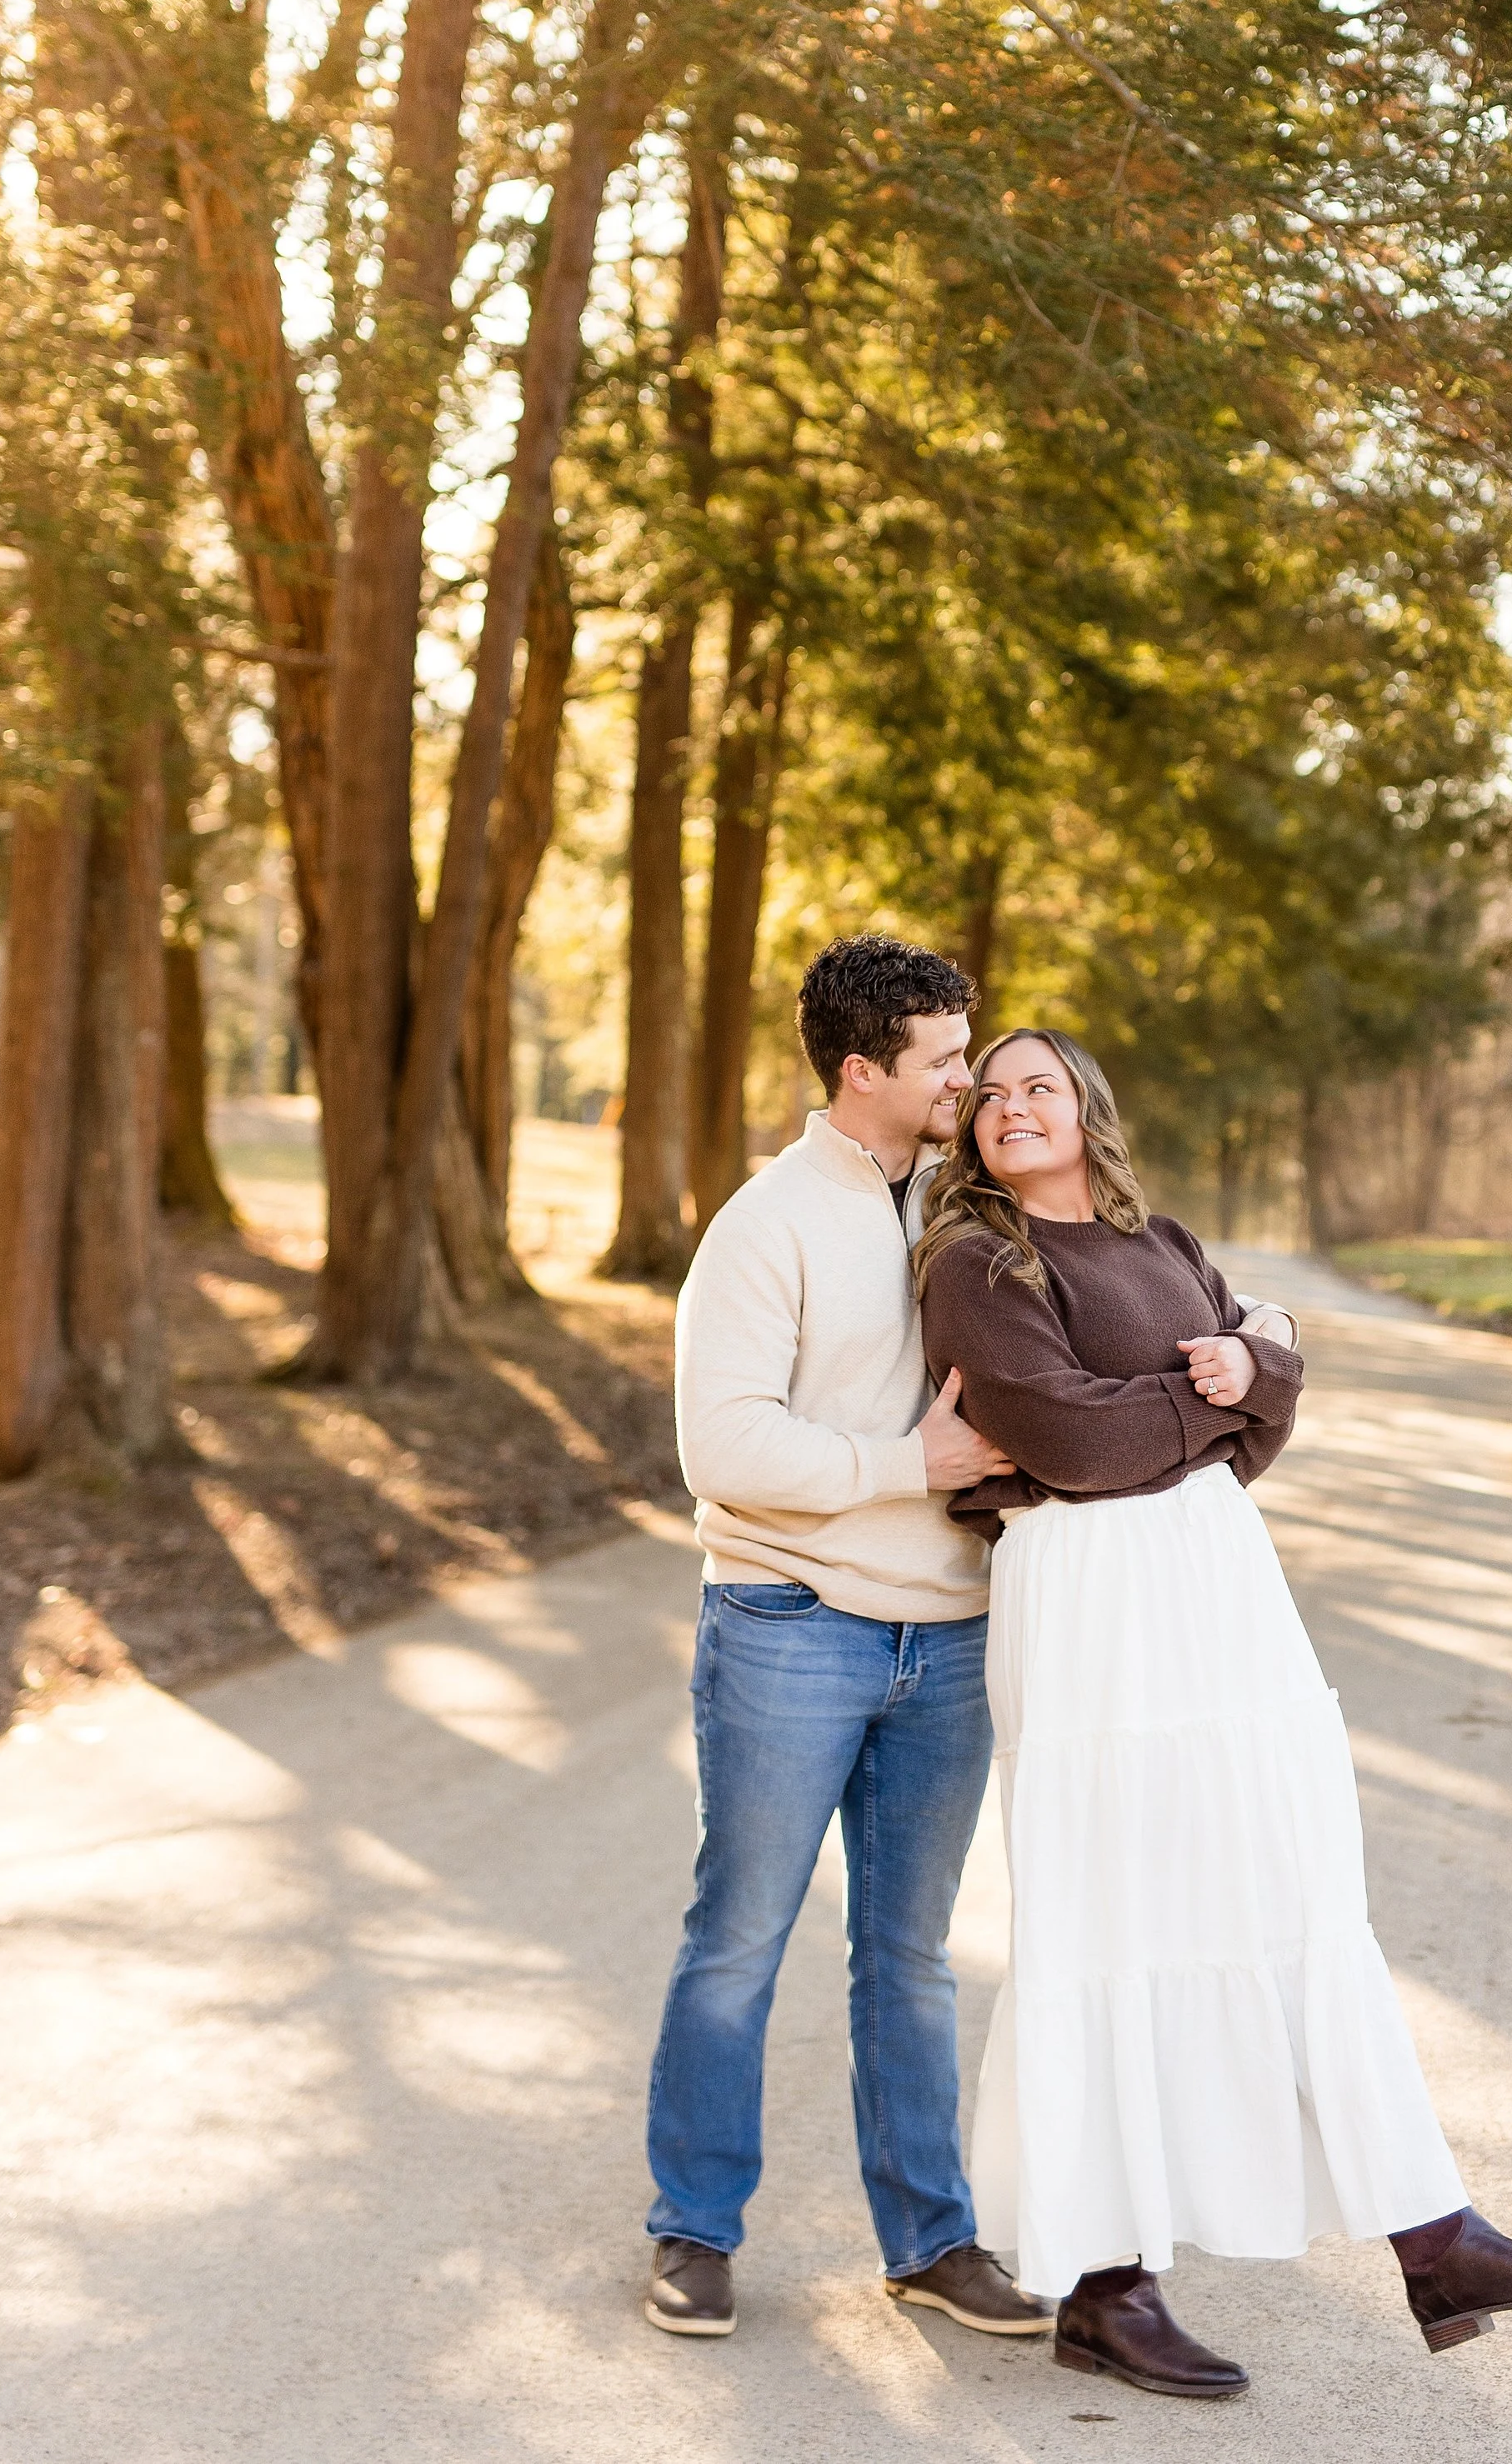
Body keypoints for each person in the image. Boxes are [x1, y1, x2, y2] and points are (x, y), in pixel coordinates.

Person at [914, 1027, 1512, 2402]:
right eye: (988, 1095)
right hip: (1093, 1604)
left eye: (1037, 1084)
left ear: (1088, 1108)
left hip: (1220, 1594)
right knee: (1114, 1921)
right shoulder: (975, 1262)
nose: (1010, 1106)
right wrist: (1217, 1383)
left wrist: (1257, 1375)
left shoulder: (1159, 1236)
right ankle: (1107, 2286)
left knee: (1289, 1899)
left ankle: (1435, 2237)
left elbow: (1266, 1412)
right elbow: (1070, 1443)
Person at [641, 935, 1050, 2345]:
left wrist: (1263, 1338)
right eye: (944, 1057)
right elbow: (723, 1444)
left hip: (946, 1642)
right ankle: (693, 2230)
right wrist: (908, 1461)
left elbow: (1122, 1277)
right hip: (786, 1625)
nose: (969, 1076)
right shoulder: (763, 1224)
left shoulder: (964, 1200)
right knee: (738, 1937)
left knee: (913, 1954)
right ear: (865, 1069)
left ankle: (929, 2239)